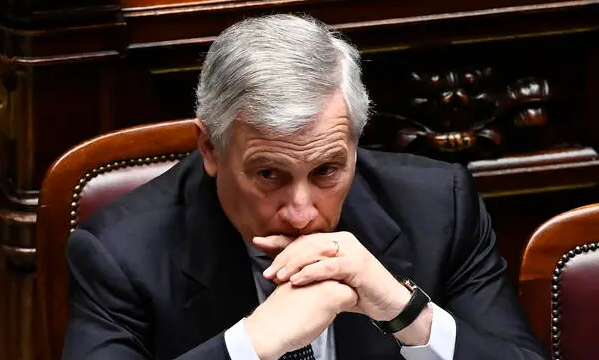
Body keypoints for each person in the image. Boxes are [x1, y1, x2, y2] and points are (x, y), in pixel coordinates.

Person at [62, 14, 546, 360]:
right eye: (268, 174)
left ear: (354, 145)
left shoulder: (439, 207)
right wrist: (252, 345)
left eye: (326, 172)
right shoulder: (119, 254)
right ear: (210, 149)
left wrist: (405, 312)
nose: (300, 212)